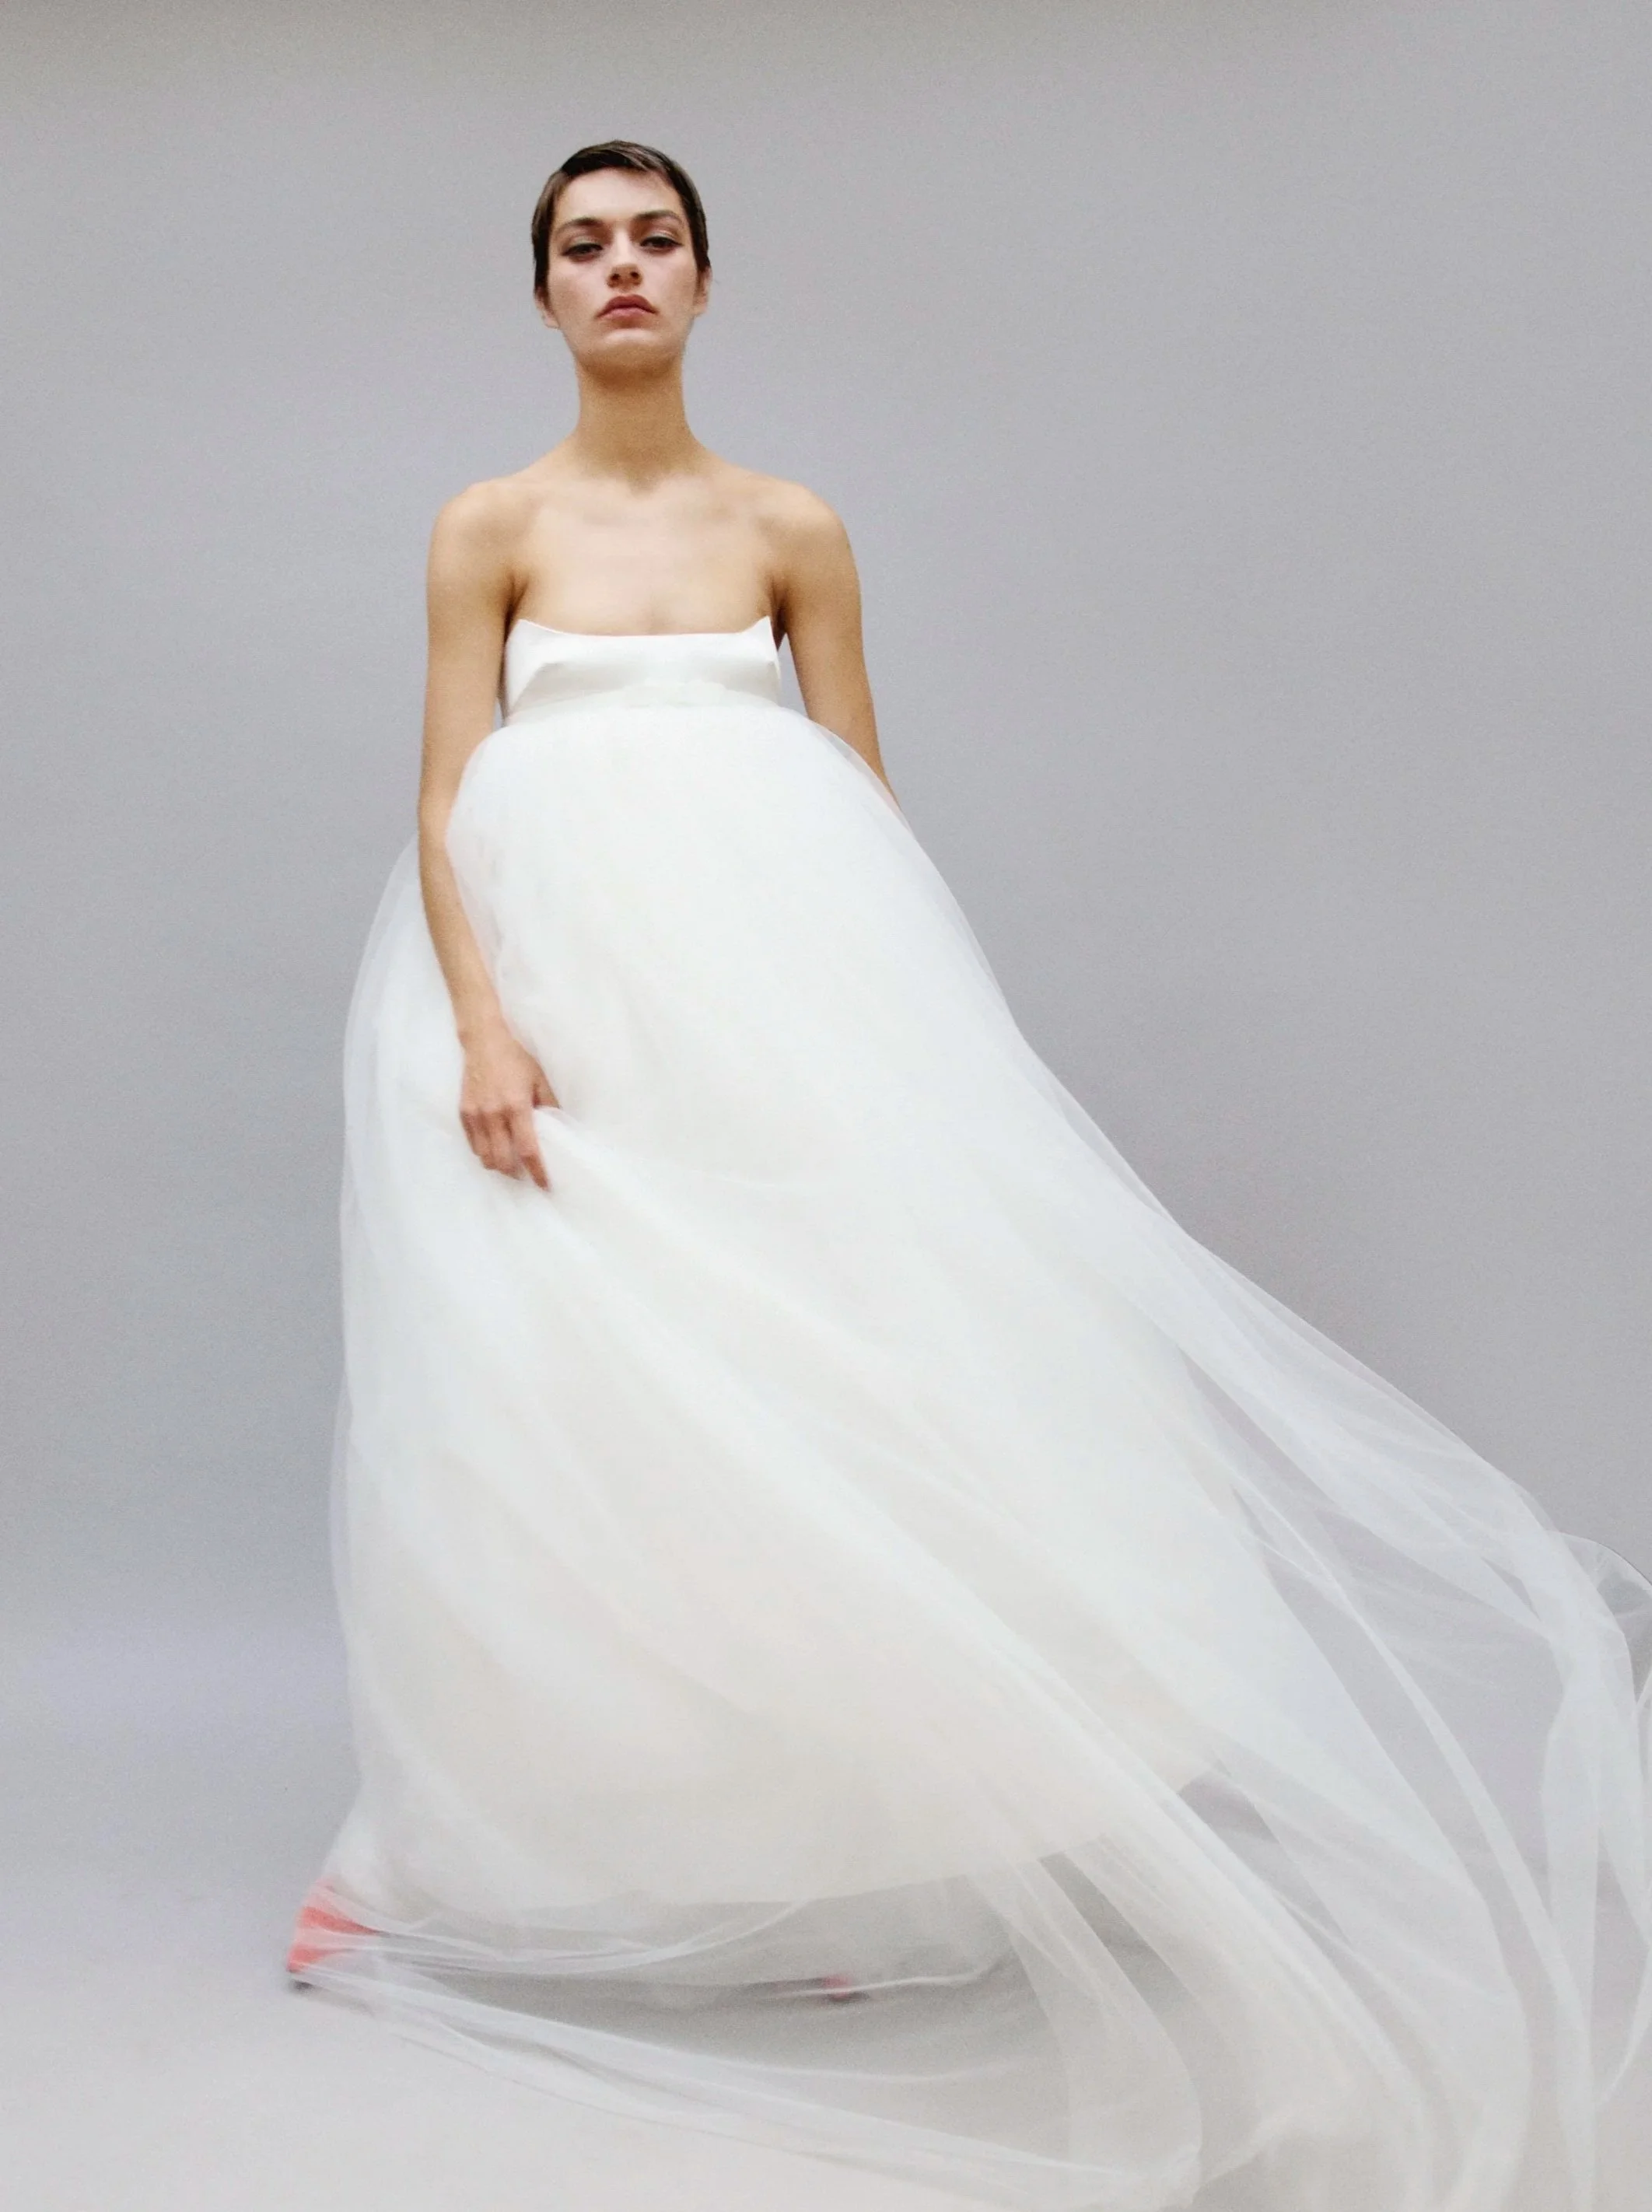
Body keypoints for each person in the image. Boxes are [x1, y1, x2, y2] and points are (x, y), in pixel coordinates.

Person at [288, 141, 1652, 2212]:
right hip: (549, 1029)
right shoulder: (488, 523)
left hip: (759, 1029)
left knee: (804, 1414)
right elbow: (446, 786)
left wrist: (887, 1038)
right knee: (555, 1425)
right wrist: (483, 1024)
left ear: (705, 279)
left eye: (655, 239)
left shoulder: (791, 525)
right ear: (543, 290)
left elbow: (855, 786)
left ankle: (829, 1864)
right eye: (584, 244)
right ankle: (467, 1861)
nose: (622, 268)